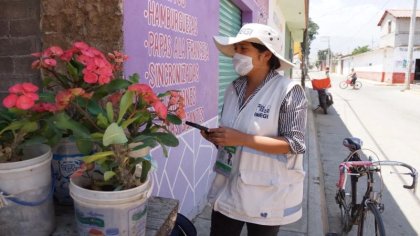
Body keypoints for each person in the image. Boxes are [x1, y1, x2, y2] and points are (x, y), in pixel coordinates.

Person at [201, 23, 308, 236]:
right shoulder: (233, 88)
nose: (236, 55)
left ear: (266, 55)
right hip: (227, 188)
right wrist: (219, 138)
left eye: (244, 49)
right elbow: (234, 133)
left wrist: (241, 138)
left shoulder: (288, 91)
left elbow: (294, 144)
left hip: (266, 194)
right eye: (236, 49)